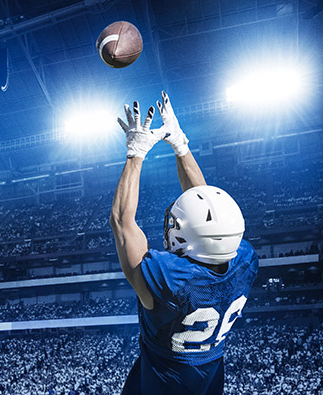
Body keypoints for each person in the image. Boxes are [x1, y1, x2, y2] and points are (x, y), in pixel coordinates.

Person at [109, 91, 259, 394]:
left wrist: (135, 154)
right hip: (209, 374)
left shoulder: (171, 279)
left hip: (163, 381)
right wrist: (181, 146)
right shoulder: (244, 262)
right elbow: (209, 213)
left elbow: (122, 223)